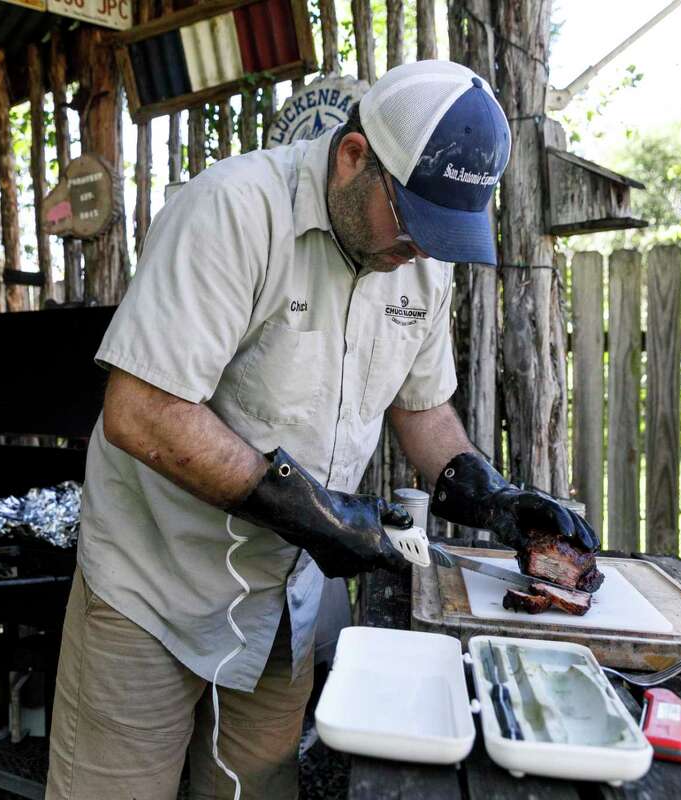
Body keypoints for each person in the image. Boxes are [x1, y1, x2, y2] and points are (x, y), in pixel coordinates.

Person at [45, 60, 599, 800]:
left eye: (443, 232)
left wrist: (491, 495)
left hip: (282, 605)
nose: (425, 251)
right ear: (353, 157)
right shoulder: (234, 210)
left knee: (258, 790)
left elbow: (424, 412)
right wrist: (305, 507)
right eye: (413, 223)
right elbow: (142, 411)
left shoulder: (420, 264)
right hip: (152, 587)